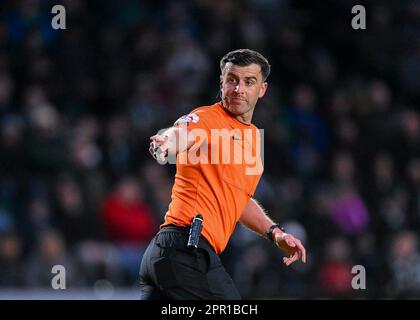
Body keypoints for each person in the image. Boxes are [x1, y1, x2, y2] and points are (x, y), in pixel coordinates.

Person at [139, 49, 306, 300]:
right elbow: (181, 133)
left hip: (172, 255)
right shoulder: (208, 119)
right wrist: (165, 142)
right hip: (185, 249)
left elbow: (239, 200)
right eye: (232, 80)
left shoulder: (252, 140)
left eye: (248, 82)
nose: (238, 88)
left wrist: (275, 233)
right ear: (222, 82)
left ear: (262, 89)